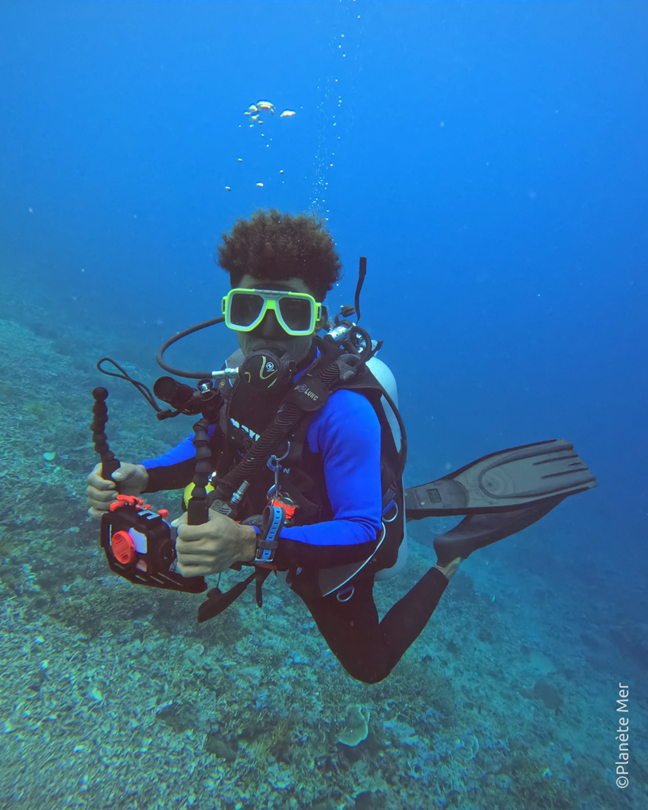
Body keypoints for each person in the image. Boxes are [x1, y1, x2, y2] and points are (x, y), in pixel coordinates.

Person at [86, 209, 596, 684]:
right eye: (248, 308)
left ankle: (450, 556)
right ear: (229, 312)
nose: (267, 330)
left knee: (369, 666)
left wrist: (244, 543)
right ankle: (375, 493)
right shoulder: (235, 374)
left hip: (331, 533)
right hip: (276, 513)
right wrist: (143, 475)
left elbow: (362, 531)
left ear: (316, 316)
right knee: (342, 496)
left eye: (290, 312)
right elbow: (215, 438)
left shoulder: (344, 412)